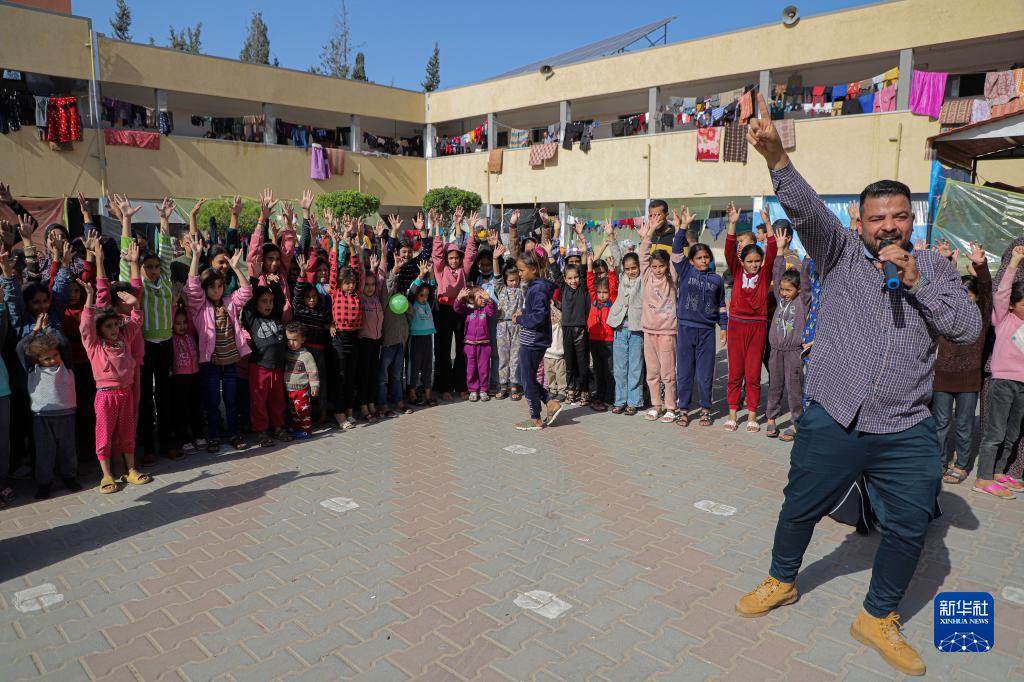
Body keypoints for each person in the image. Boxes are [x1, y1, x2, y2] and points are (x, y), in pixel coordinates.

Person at [735, 93, 981, 677]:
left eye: (898, 216)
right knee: (800, 505)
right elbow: (807, 212)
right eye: (877, 218)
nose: (888, 226)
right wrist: (776, 159)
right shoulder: (837, 252)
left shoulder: (935, 268)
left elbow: (968, 330)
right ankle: (782, 579)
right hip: (835, 415)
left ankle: (877, 616)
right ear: (859, 223)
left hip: (906, 426)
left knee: (911, 525)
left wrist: (918, 282)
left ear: (912, 220)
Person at [115, 195, 178, 463]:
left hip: (166, 344)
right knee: (144, 399)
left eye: (155, 267)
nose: (153, 270)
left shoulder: (165, 280)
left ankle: (167, 443)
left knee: (165, 396)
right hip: (143, 347)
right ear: (140, 268)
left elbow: (166, 253)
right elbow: (125, 258)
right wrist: (126, 220)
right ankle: (148, 448)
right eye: (148, 267)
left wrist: (164, 219)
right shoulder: (135, 285)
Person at [80, 280, 153, 494]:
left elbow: (136, 321)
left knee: (128, 432)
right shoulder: (94, 345)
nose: (113, 329)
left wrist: (135, 304)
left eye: (115, 325)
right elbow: (86, 326)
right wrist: (89, 298)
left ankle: (131, 470)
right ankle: (107, 474)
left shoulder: (124, 338)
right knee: (104, 435)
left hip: (126, 393)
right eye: (108, 326)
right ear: (99, 329)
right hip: (105, 396)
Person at [184, 237, 253, 452]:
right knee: (212, 401)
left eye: (220, 286)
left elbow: (246, 291)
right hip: (210, 363)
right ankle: (213, 436)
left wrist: (236, 267)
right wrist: (196, 256)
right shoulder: (199, 306)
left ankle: (233, 434)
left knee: (231, 400)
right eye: (212, 287)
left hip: (230, 361)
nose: (217, 291)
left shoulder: (229, 303)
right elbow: (192, 287)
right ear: (205, 289)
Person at [934, 241, 991, 484]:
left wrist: (981, 266)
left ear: (976, 298)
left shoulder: (981, 316)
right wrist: (946, 263)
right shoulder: (944, 313)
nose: (964, 300)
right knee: (940, 423)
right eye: (961, 295)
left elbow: (987, 292)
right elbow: (938, 290)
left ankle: (962, 464)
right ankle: (939, 461)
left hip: (969, 379)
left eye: (969, 296)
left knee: (965, 424)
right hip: (942, 376)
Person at [972, 245, 1024, 499]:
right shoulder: (1004, 318)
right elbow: (1002, 292)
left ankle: (998, 472)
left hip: (1023, 386)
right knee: (995, 433)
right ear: (1012, 306)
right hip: (1002, 382)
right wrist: (1014, 261)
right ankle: (983, 478)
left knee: (1012, 434)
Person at [724, 201, 777, 432]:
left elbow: (772, 251)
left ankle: (752, 415)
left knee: (753, 373)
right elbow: (729, 250)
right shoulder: (737, 272)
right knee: (735, 372)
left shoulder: (764, 275)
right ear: (742, 262)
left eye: (757, 261)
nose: (754, 265)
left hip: (757, 327)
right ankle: (733, 414)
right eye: (750, 261)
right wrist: (732, 224)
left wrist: (768, 224)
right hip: (736, 325)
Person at [673, 212, 727, 427]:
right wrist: (683, 227)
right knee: (684, 373)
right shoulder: (685, 271)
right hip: (686, 329)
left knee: (705, 374)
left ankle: (706, 410)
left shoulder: (717, 279)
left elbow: (721, 306)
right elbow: (676, 250)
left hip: (707, 332)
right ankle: (683, 410)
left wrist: (723, 328)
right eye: (699, 257)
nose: (703, 260)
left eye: (706, 257)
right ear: (691, 260)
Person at [16, 314, 80, 499]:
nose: (53, 360)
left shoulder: (66, 366)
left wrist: (49, 328)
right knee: (45, 452)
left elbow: (64, 344)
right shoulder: (33, 370)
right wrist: (35, 330)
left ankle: (69, 477)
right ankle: (45, 483)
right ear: (37, 360)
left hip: (67, 414)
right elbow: (20, 349)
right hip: (42, 417)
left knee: (68, 449)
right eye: (46, 358)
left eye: (55, 355)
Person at [431, 207, 478, 401]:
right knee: (443, 349)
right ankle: (444, 387)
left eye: (456, 257)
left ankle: (461, 386)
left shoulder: (463, 270)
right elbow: (436, 253)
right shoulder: (440, 269)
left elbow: (470, 253)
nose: (454, 260)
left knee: (461, 348)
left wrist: (472, 229)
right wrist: (437, 227)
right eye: (451, 257)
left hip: (460, 309)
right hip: (443, 310)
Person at [513, 251, 561, 430]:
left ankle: (536, 418)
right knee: (523, 376)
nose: (519, 274)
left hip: (534, 341)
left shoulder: (538, 288)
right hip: (531, 339)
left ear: (533, 269)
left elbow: (539, 317)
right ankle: (550, 402)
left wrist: (520, 319)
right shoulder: (534, 286)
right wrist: (524, 313)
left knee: (527, 378)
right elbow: (535, 312)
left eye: (522, 270)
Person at [639, 218, 678, 423]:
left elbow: (677, 255)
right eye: (654, 266)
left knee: (668, 373)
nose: (658, 269)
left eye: (661, 266)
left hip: (667, 332)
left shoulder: (672, 278)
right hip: (649, 331)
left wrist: (679, 230)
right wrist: (651, 230)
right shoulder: (647, 276)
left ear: (667, 265)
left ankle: (671, 407)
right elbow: (643, 255)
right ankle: (656, 406)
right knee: (652, 372)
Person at [242, 286, 290, 447]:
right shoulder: (252, 319)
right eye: (264, 301)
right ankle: (261, 432)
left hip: (278, 367)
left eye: (270, 301)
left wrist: (274, 283)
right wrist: (255, 280)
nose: (268, 304)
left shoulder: (276, 316)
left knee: (278, 400)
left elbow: (280, 300)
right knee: (259, 401)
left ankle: (278, 428)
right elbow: (248, 303)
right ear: (256, 304)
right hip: (260, 368)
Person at [604, 224, 644, 416]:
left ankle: (633, 401)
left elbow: (644, 258)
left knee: (635, 367)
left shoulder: (643, 279)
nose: (631, 271)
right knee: (620, 367)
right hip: (620, 328)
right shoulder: (622, 277)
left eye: (634, 268)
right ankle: (620, 400)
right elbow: (617, 257)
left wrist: (645, 238)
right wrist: (611, 236)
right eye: (628, 269)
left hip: (637, 329)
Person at [329, 223, 365, 430]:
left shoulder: (357, 293)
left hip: (354, 338)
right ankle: (339, 413)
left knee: (351, 376)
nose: (350, 285)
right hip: (340, 338)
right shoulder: (336, 292)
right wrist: (335, 245)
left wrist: (352, 247)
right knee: (340, 376)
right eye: (347, 282)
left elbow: (357, 269)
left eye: (352, 282)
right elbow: (334, 269)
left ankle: (349, 411)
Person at [552, 260, 590, 406]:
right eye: (569, 278)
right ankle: (571, 389)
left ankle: (585, 390)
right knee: (569, 362)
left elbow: (584, 270)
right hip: (567, 328)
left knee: (582, 363)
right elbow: (556, 273)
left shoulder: (583, 288)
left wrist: (584, 254)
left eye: (576, 277)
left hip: (581, 329)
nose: (573, 281)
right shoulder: (563, 288)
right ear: (565, 278)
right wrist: (550, 255)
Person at [169, 306, 204, 453]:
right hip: (179, 377)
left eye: (184, 322)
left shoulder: (190, 334)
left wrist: (184, 299)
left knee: (196, 406)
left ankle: (199, 434)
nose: (182, 326)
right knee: (180, 409)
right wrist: (174, 304)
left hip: (195, 374)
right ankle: (183, 438)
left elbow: (191, 315)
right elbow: (170, 317)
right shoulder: (171, 338)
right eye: (178, 323)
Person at [586, 246, 617, 411]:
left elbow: (613, 286)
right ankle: (599, 394)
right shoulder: (594, 299)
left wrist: (611, 270)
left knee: (609, 370)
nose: (602, 294)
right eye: (600, 292)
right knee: (598, 369)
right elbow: (590, 283)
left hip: (609, 340)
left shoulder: (612, 301)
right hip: (594, 339)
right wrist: (589, 266)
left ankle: (609, 397)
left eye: (605, 292)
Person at [454, 286, 497, 401]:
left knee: (484, 368)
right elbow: (457, 308)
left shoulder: (486, 309)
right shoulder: (468, 310)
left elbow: (493, 310)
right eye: (480, 297)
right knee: (471, 369)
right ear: (472, 299)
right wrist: (459, 298)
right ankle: (473, 390)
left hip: (484, 345)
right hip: (469, 345)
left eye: (484, 297)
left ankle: (483, 390)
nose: (483, 300)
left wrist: (489, 300)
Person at [492, 247, 524, 401]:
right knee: (503, 357)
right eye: (511, 280)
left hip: (517, 327)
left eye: (516, 279)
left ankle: (514, 385)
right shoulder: (500, 289)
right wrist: (495, 259)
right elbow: (497, 275)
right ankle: (503, 385)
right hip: (502, 326)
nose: (514, 283)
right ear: (505, 280)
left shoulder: (522, 289)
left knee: (515, 357)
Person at [284, 322, 320, 439]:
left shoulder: (306, 356)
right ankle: (296, 427)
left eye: (294, 340)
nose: (291, 343)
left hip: (301, 389)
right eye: (288, 340)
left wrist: (314, 386)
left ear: (303, 339)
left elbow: (312, 372)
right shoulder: (286, 353)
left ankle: (306, 430)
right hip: (289, 388)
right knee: (293, 410)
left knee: (302, 410)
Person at [408, 264, 437, 406]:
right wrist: (421, 276)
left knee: (427, 366)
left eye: (426, 295)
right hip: (415, 338)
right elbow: (412, 291)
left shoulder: (428, 303)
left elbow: (432, 289)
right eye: (421, 295)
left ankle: (427, 394)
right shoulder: (413, 303)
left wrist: (431, 274)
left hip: (428, 337)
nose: (424, 298)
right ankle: (412, 393)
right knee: (415, 366)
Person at [544, 306, 567, 401]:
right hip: (547, 355)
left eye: (554, 316)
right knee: (549, 374)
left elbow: (560, 317)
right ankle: (552, 389)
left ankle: (562, 391)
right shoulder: (546, 326)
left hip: (558, 356)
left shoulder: (559, 326)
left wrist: (552, 307)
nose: (553, 318)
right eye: (551, 316)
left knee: (560, 374)